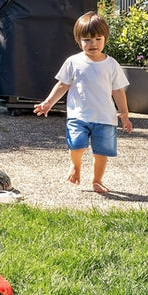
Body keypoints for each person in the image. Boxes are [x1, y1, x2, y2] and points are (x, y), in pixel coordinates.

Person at [33, 11, 134, 193]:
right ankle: (76, 165)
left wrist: (124, 114)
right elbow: (62, 85)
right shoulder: (73, 62)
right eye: (87, 39)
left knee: (101, 153)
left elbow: (118, 90)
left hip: (105, 117)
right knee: (77, 144)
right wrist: (48, 103)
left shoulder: (111, 65)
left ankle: (97, 180)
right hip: (78, 115)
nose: (92, 43)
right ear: (79, 41)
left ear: (105, 39)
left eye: (97, 39)